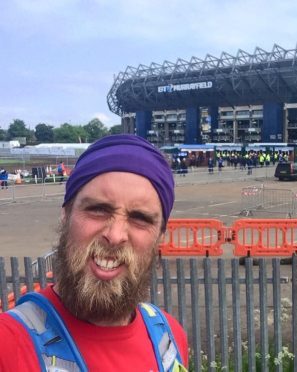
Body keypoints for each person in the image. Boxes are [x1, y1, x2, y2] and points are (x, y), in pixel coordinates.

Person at [0, 134, 188, 371]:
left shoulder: (170, 341)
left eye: (139, 218)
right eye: (98, 209)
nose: (116, 235)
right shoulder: (8, 346)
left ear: (160, 237)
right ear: (66, 214)